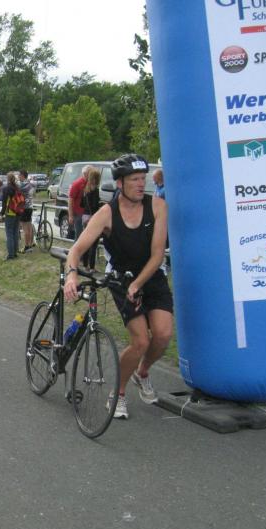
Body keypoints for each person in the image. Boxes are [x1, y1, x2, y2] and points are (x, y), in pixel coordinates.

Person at [63, 154, 173, 419]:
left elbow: (158, 254)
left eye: (143, 179)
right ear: (120, 183)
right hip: (121, 279)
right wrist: (71, 276)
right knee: (140, 341)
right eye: (134, 179)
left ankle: (142, 373)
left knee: (163, 335)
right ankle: (118, 393)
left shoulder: (158, 207)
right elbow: (76, 250)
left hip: (151, 276)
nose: (141, 184)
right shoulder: (106, 214)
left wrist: (139, 283)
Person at [80, 168, 102, 271]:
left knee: (86, 241)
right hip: (93, 217)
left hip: (85, 216)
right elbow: (94, 206)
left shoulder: (85, 189)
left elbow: (81, 204)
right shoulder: (95, 191)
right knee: (94, 243)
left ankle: (85, 265)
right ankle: (92, 266)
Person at [0, 173, 22, 260]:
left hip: (10, 213)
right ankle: (15, 252)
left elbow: (4, 202)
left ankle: (11, 255)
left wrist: (1, 214)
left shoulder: (6, 188)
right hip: (18, 212)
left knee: (9, 233)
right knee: (15, 232)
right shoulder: (18, 187)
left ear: (8, 179)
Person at [67, 165, 92, 241]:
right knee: (79, 236)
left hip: (88, 213)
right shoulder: (77, 184)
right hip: (78, 214)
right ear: (85, 174)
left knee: (87, 236)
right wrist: (70, 215)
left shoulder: (90, 183)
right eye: (90, 173)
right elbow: (70, 199)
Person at [18, 170, 36, 253]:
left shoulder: (22, 185)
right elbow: (34, 194)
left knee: (25, 229)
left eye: (19, 175)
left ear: (22, 175)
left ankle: (26, 246)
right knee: (29, 227)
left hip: (24, 208)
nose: (18, 177)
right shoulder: (31, 184)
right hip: (30, 207)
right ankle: (30, 244)